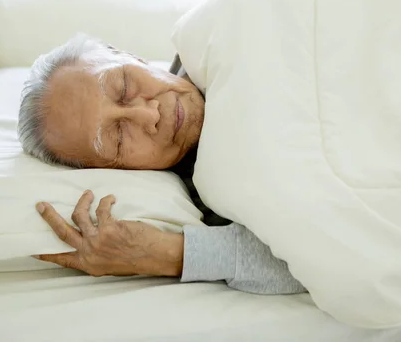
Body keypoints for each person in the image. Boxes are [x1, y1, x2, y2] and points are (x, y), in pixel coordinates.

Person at [18, 34, 306, 294]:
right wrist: (170, 254)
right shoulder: (212, 203)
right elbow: (316, 261)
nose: (149, 115)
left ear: (129, 55)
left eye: (124, 86)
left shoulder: (214, 37)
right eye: (117, 138)